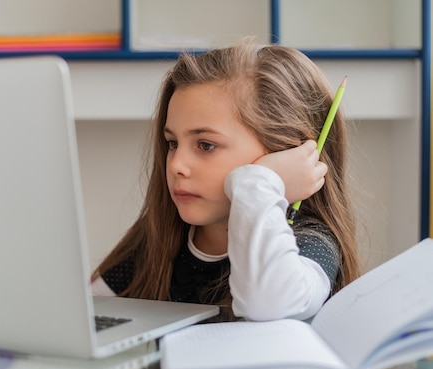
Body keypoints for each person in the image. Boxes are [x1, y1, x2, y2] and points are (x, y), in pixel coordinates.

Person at [91, 38, 361, 322]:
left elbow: (267, 304)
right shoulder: (161, 238)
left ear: (289, 155)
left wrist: (262, 182)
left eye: (206, 145)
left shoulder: (311, 242)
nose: (177, 165)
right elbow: (82, 314)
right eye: (172, 143)